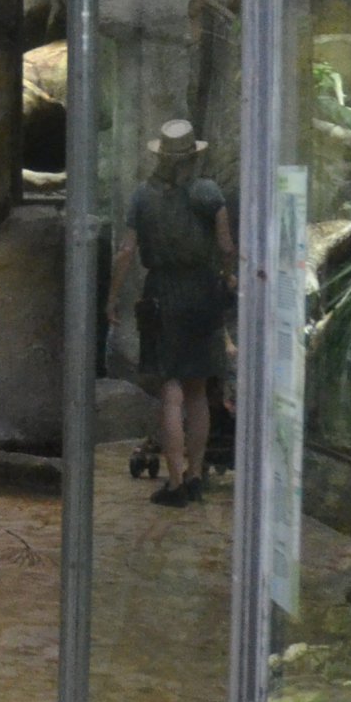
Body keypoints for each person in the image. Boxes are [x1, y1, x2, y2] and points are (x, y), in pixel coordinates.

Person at [107, 119, 233, 507]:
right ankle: (195, 476)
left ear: (161, 156)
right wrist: (226, 278)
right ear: (193, 156)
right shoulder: (209, 192)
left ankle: (175, 482)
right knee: (197, 390)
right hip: (204, 292)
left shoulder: (143, 197)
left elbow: (126, 251)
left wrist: (110, 297)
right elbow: (226, 245)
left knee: (171, 390)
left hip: (163, 293)